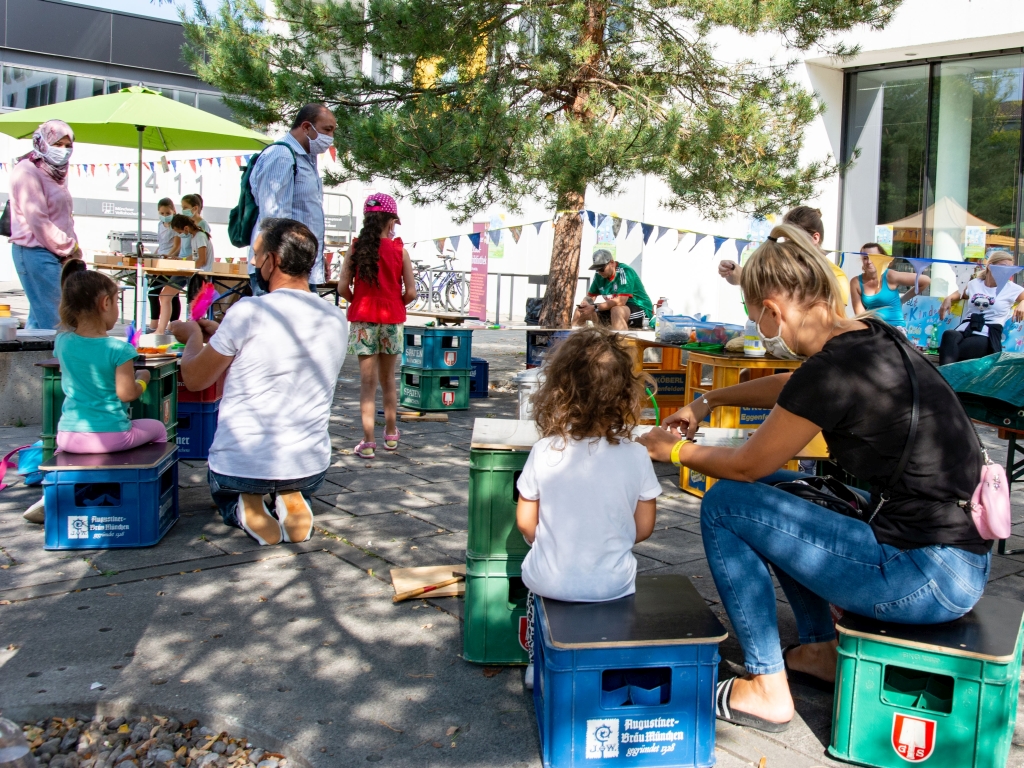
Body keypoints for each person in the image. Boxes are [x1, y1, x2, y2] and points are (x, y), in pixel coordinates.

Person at [639, 223, 990, 733]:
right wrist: (708, 399)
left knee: (728, 503)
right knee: (782, 486)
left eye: (753, 314)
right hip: (958, 559)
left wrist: (674, 450)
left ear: (772, 309)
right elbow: (796, 385)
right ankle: (820, 648)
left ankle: (766, 688)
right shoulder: (869, 337)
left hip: (924, 578)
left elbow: (744, 466)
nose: (759, 326)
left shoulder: (832, 370)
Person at [170, 218, 348, 546]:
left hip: (239, 466)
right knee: (292, 477)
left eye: (256, 254)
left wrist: (193, 336)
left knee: (226, 486)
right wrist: (223, 336)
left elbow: (194, 379)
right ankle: (292, 497)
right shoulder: (336, 318)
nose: (253, 262)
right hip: (308, 467)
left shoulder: (248, 311)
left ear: (274, 260)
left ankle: (243, 507)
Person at [516, 327, 661, 688]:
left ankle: (539, 661)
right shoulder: (637, 455)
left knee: (537, 583)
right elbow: (644, 529)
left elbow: (525, 523)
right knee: (618, 583)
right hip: (612, 584)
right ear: (627, 393)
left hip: (549, 581)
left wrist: (554, 546)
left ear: (559, 390)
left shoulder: (544, 451)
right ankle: (606, 659)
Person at [53, 260, 166, 453]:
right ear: (106, 303)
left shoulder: (62, 341)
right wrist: (143, 379)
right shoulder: (118, 349)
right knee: (159, 428)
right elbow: (127, 394)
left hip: (67, 436)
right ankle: (143, 476)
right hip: (110, 436)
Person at [339, 194, 416, 459]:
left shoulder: (356, 249)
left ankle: (368, 441)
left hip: (363, 319)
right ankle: (392, 435)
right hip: (392, 319)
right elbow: (412, 293)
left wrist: (359, 301)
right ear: (392, 220)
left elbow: (341, 288)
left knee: (367, 383)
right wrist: (396, 303)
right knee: (388, 381)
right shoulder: (399, 251)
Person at [247, 103, 337, 294]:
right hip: (280, 271)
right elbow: (274, 220)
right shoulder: (282, 156)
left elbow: (307, 214)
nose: (330, 138)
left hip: (301, 268)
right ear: (306, 127)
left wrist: (317, 257)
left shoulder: (307, 159)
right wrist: (275, 266)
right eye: (326, 130)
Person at [9, 119, 81, 330]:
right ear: (42, 142)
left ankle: (31, 363)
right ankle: (63, 363)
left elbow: (65, 217)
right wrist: (69, 247)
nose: (64, 150)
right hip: (35, 252)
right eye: (58, 144)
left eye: (68, 145)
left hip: (56, 253)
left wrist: (71, 247)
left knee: (39, 323)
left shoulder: (56, 173)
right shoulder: (27, 171)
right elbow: (38, 220)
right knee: (59, 321)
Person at [718, 206, 851, 306]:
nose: (788, 245)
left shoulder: (836, 277)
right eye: (786, 239)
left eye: (794, 239)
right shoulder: (781, 267)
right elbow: (749, 281)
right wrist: (732, 271)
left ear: (815, 238)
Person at [938, 251, 1024, 366]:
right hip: (965, 328)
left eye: (1010, 268)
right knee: (949, 335)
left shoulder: (1012, 288)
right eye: (1003, 267)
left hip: (988, 334)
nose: (1006, 271)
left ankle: (943, 379)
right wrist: (949, 298)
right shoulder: (975, 283)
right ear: (989, 266)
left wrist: (1022, 303)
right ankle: (945, 379)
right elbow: (961, 293)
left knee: (952, 350)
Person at [849, 243, 929, 329]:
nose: (869, 261)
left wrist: (902, 300)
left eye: (874, 257)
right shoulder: (856, 282)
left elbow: (925, 281)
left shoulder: (890, 276)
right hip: (872, 329)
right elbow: (861, 315)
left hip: (895, 328)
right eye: (865, 258)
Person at [573, 246, 654, 329]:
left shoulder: (625, 272)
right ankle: (570, 338)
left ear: (611, 263)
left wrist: (595, 307)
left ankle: (620, 341)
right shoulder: (599, 275)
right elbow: (591, 296)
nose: (599, 272)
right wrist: (585, 303)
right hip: (614, 308)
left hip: (641, 309)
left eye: (601, 269)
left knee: (616, 311)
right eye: (597, 269)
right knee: (580, 311)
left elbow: (621, 302)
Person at [148, 198, 183, 332]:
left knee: (171, 294)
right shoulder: (160, 224)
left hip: (171, 261)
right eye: (161, 213)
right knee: (154, 292)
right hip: (161, 260)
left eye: (167, 213)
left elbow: (176, 246)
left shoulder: (176, 225)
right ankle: (155, 323)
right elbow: (161, 244)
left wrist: (167, 257)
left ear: (173, 211)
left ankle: (172, 324)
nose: (164, 216)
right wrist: (155, 255)